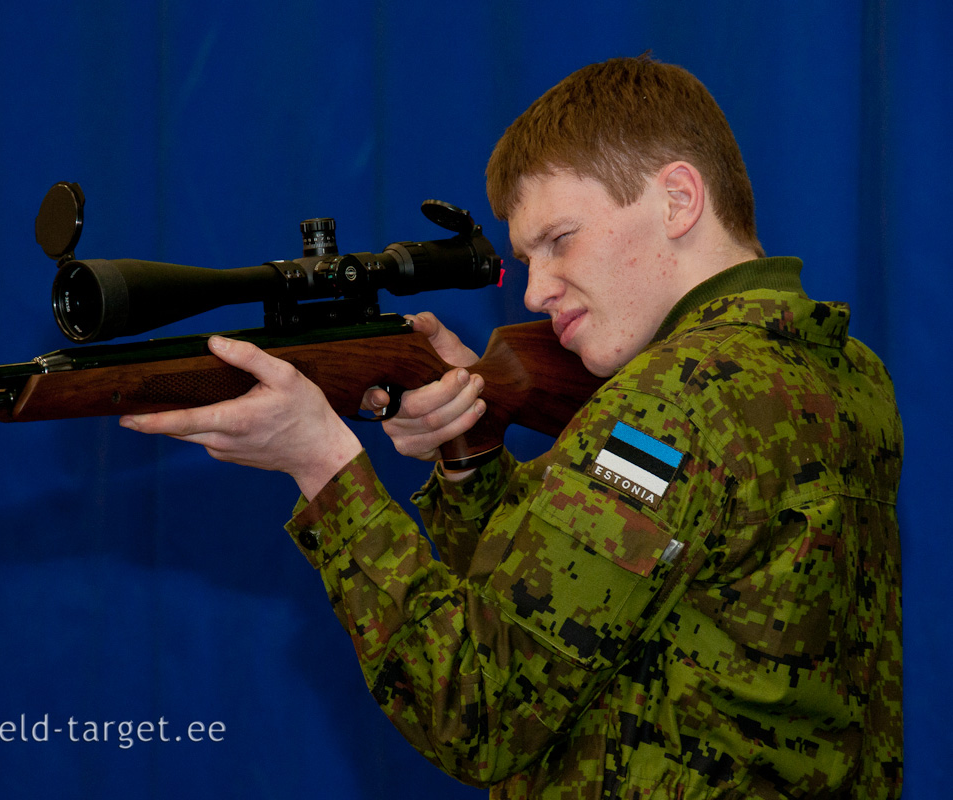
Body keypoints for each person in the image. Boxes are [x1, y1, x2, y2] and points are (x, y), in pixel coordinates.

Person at [119, 55, 903, 799]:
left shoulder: (674, 398)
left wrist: (324, 470)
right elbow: (582, 608)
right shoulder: (841, 366)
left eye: (559, 241)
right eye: (526, 258)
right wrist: (470, 446)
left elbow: (478, 710)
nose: (533, 292)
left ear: (677, 199)